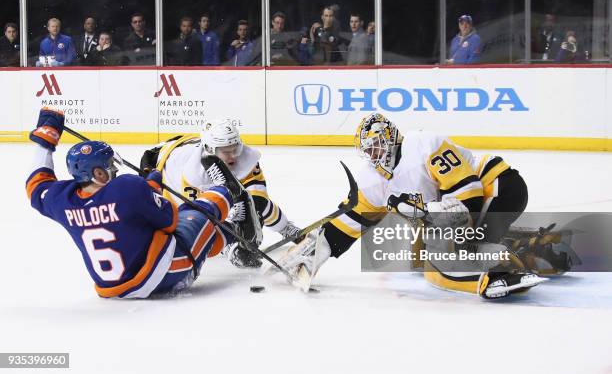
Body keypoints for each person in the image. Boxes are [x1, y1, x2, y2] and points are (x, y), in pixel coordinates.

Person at [273, 113, 547, 299]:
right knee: (421, 257)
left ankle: (501, 275)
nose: (373, 155)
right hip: (479, 201)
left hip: (498, 188)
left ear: (391, 137)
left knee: (440, 265)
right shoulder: (373, 180)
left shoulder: (422, 144)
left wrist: (424, 215)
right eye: (368, 150)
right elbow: (349, 223)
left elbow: (469, 196)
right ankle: (537, 248)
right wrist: (314, 250)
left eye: (377, 146)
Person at [26, 108, 261, 298]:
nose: (115, 169)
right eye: (110, 165)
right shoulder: (127, 187)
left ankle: (231, 225)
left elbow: (36, 185)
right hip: (166, 273)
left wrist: (44, 142)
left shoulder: (63, 200)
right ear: (98, 174)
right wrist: (150, 188)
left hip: (111, 288)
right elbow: (169, 222)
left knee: (181, 225)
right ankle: (229, 201)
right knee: (195, 213)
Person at [140, 120, 302, 248]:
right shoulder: (191, 173)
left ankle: (286, 229)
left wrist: (254, 221)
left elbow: (259, 199)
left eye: (235, 149)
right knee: (189, 222)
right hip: (158, 160)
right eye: (226, 151)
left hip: (190, 144)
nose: (233, 156)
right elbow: (200, 217)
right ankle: (228, 247)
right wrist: (232, 240)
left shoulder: (247, 157)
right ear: (210, 150)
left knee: (255, 204)